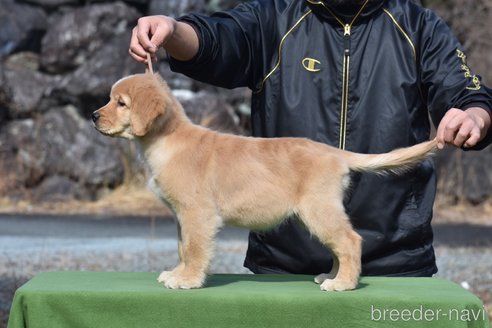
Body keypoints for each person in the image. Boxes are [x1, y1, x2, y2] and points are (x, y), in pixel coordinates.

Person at [129, 0, 492, 277]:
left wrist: (474, 115)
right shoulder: (273, 16)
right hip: (282, 266)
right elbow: (214, 41)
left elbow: (467, 94)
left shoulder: (420, 25)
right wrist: (172, 29)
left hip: (399, 262)